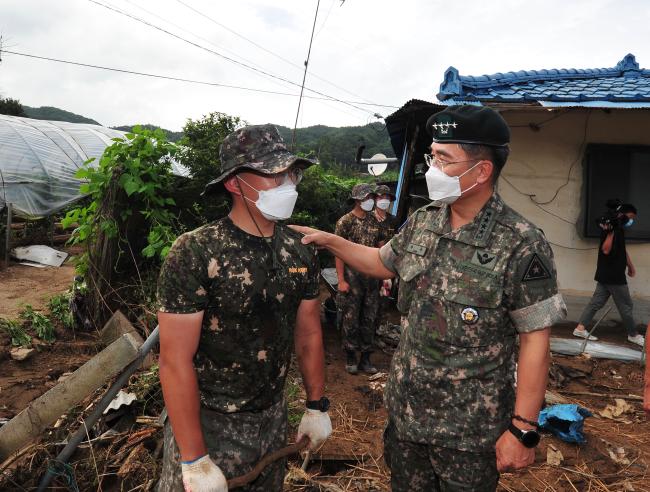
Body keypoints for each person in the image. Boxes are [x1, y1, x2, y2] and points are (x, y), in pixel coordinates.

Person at [291, 105, 567, 491]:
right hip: (407, 417)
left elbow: (535, 339)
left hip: (470, 430)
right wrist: (332, 241)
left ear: (482, 171)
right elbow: (380, 261)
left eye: (444, 159)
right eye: (431, 156)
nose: (431, 169)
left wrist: (522, 430)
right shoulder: (424, 220)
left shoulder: (521, 242)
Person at [156, 124, 332, 492]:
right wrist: (194, 458)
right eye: (274, 175)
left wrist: (316, 405)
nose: (288, 184)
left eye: (291, 173)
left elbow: (309, 332)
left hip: (271, 420)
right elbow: (174, 360)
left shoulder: (299, 249)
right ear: (235, 183)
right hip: (209, 423)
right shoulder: (196, 251)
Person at [573, 202, 644, 346]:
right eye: (629, 217)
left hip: (606, 275)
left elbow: (622, 250)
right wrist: (611, 233)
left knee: (596, 303)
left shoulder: (619, 229)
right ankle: (633, 335)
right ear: (621, 215)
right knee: (626, 306)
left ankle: (580, 328)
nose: (630, 221)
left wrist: (630, 266)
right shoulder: (611, 229)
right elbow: (605, 250)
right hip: (614, 276)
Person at [335, 183, 382, 375]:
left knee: (370, 317)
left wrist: (384, 276)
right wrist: (341, 280)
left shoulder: (374, 221)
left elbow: (380, 249)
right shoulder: (345, 222)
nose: (369, 201)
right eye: (365, 198)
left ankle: (366, 358)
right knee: (351, 317)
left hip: (371, 277)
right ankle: (351, 355)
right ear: (356, 200)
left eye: (371, 197)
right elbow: (337, 252)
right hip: (352, 276)